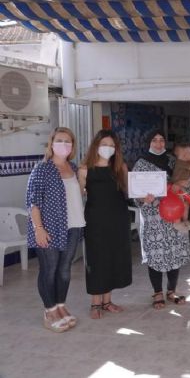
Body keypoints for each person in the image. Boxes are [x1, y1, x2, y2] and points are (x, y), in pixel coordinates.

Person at [25, 127, 84, 332]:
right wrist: (38, 228)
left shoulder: (73, 167)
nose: (64, 145)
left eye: (68, 141)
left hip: (73, 225)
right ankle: (49, 311)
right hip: (49, 228)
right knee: (49, 270)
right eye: (60, 140)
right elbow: (33, 202)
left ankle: (60, 305)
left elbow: (77, 195)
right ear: (51, 144)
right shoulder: (42, 169)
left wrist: (84, 180)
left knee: (65, 270)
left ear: (72, 146)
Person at [133, 130, 190, 309]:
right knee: (155, 255)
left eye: (161, 140)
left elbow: (186, 183)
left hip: (174, 216)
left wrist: (182, 184)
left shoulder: (172, 161)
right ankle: (157, 292)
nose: (158, 144)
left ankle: (171, 291)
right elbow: (135, 193)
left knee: (174, 253)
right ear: (148, 143)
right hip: (153, 218)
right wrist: (143, 198)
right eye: (154, 140)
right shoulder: (141, 164)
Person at [78, 130, 132, 319]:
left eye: (111, 145)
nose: (107, 148)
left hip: (118, 219)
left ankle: (107, 301)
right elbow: (78, 195)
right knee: (96, 259)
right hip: (95, 221)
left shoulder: (120, 168)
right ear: (96, 145)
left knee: (113, 258)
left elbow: (129, 192)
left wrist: (145, 195)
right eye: (104, 144)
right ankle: (95, 303)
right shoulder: (84, 169)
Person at [169, 140, 190, 234]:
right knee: (179, 204)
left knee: (186, 204)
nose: (187, 155)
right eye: (185, 154)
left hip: (184, 187)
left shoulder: (186, 162)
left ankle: (185, 221)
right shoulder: (180, 162)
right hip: (177, 187)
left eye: (189, 153)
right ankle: (177, 222)